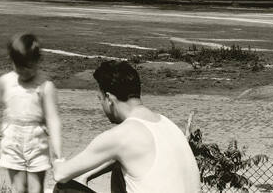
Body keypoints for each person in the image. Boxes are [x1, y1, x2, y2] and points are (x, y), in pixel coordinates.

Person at [53, 60, 200, 193]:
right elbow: (124, 155)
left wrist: (57, 159)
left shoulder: (122, 135)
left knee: (63, 189)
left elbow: (61, 174)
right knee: (119, 166)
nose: (101, 105)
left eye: (100, 99)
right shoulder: (166, 123)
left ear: (109, 99)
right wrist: (87, 175)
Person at [0, 33, 63, 193]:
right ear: (12, 62)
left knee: (36, 188)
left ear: (38, 61)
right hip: (12, 139)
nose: (24, 72)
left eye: (29, 67)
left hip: (37, 140)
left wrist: (58, 153)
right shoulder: (5, 82)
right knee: (19, 188)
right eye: (19, 67)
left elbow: (53, 119)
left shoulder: (46, 86)